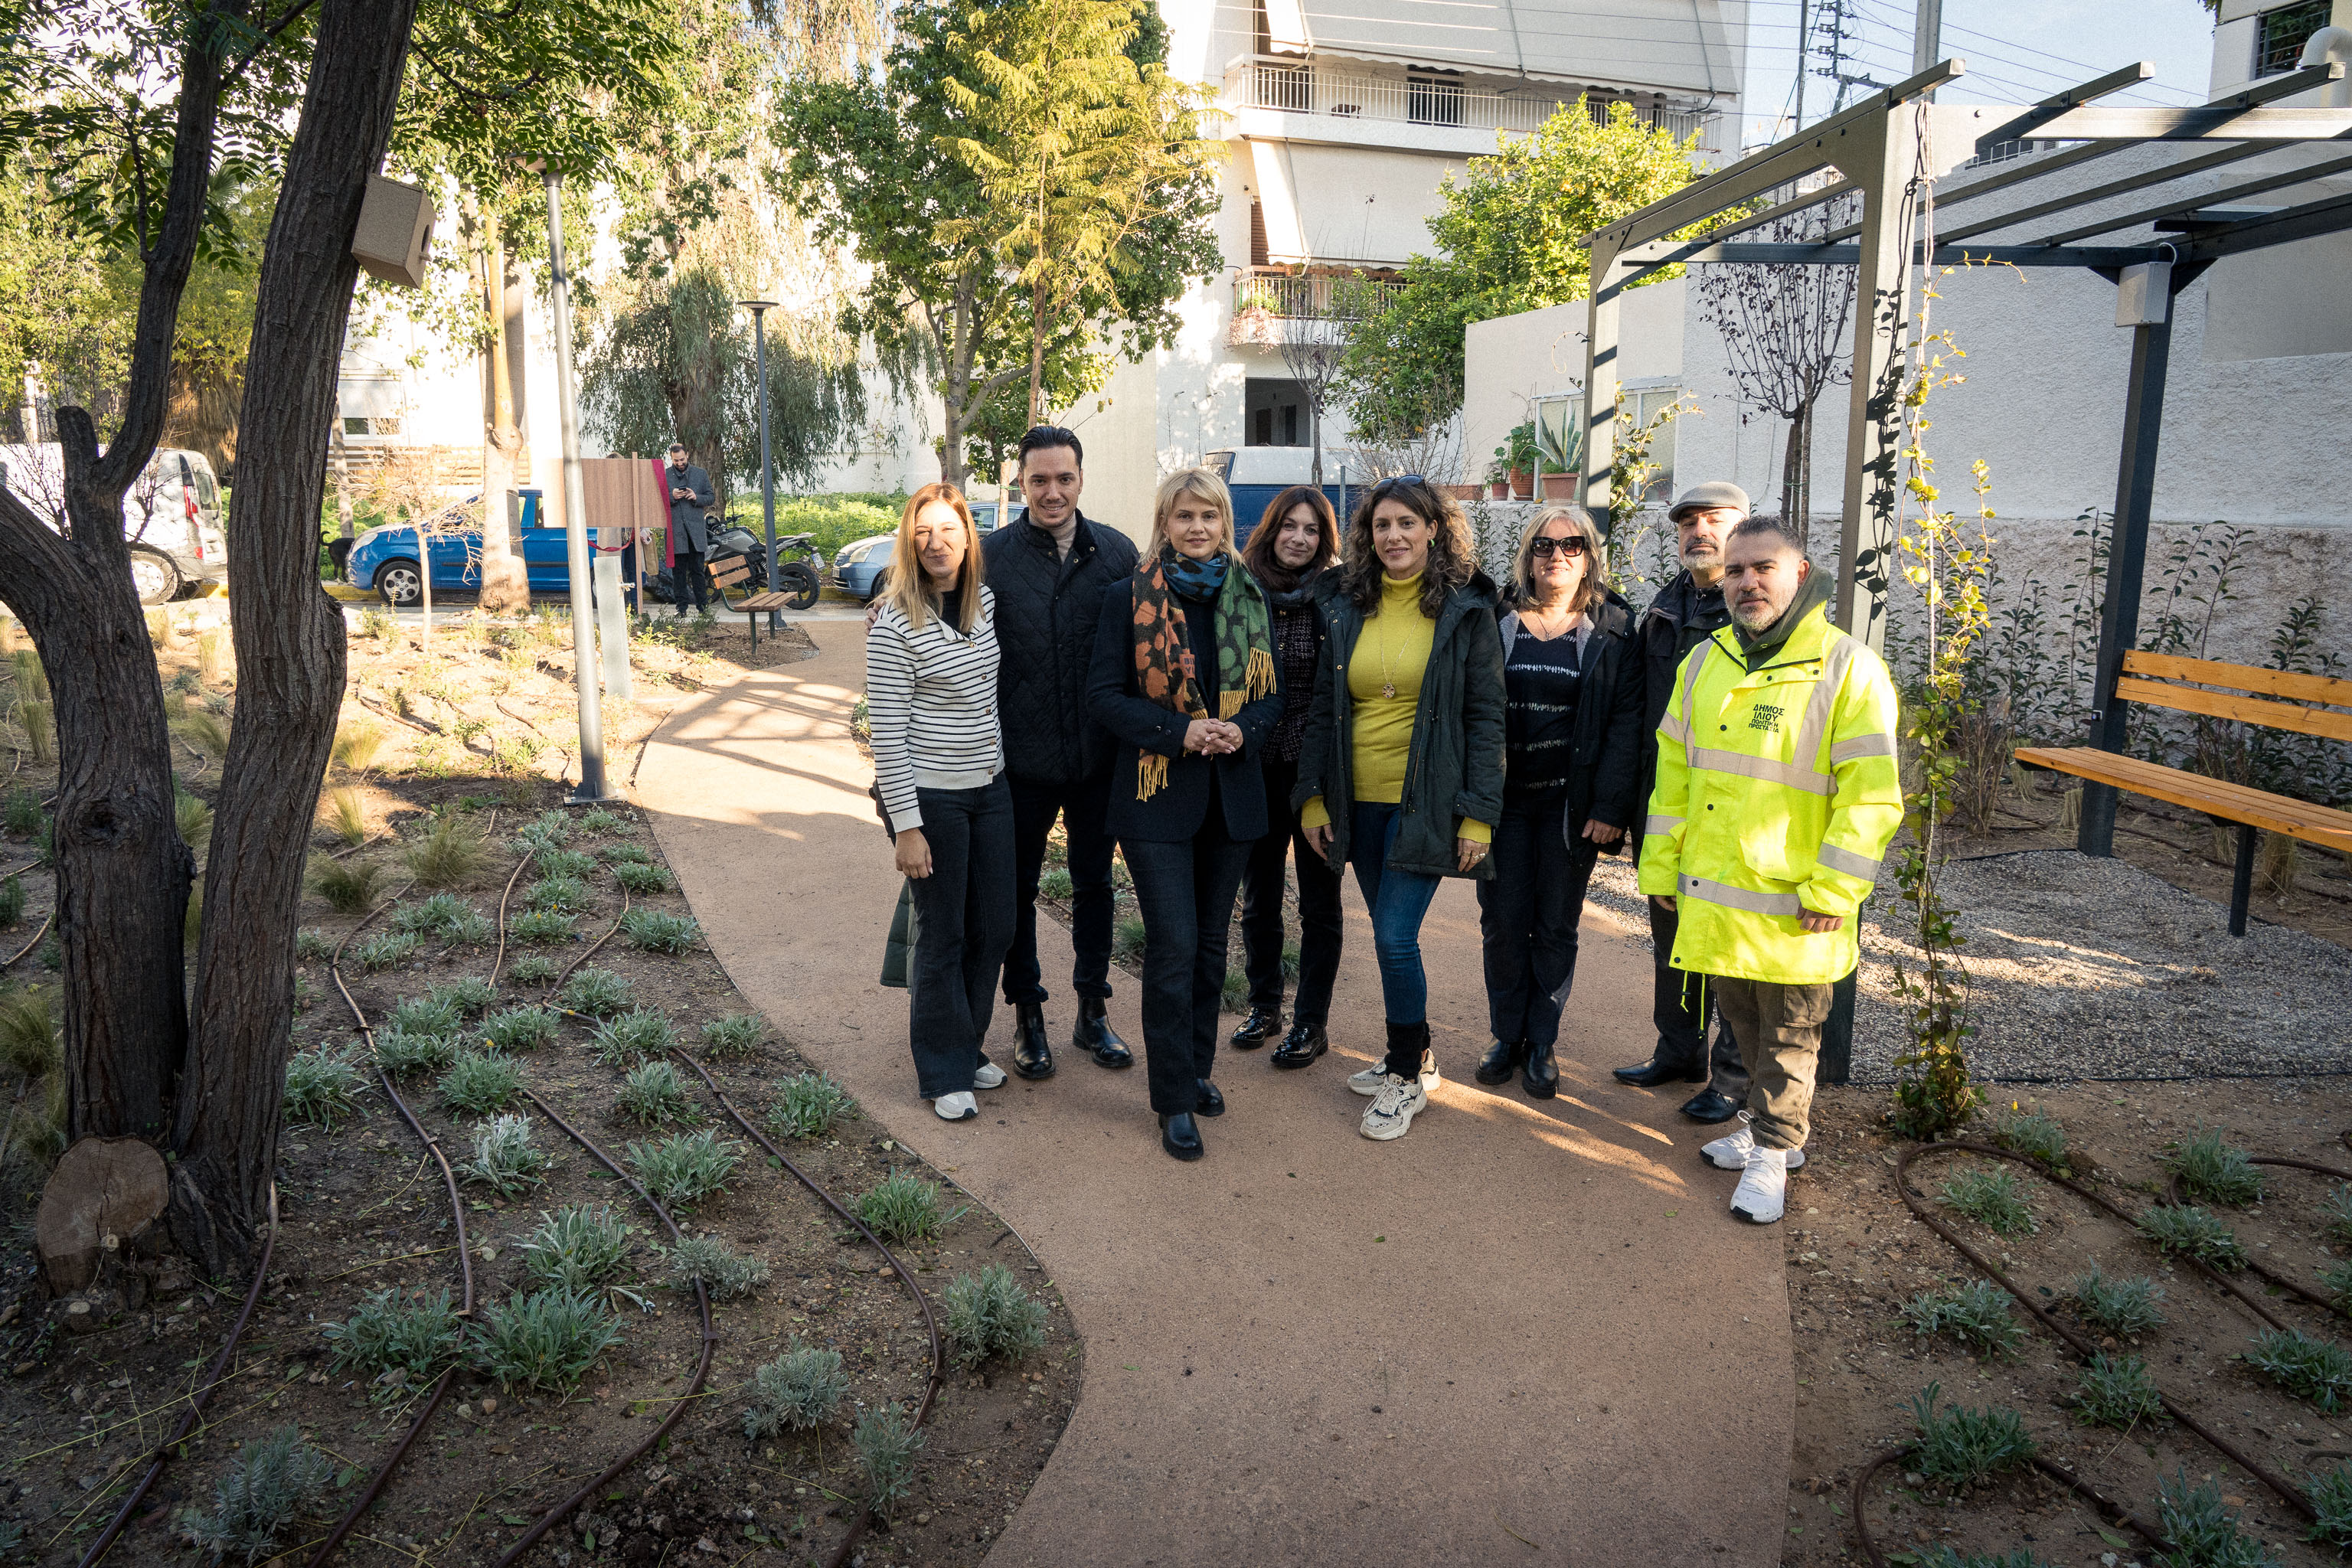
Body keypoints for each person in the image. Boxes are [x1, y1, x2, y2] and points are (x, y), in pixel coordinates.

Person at [1638, 515, 1900, 1223]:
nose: (1748, 582)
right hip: (1721, 898)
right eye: (1735, 570)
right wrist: (1661, 870)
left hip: (1796, 906)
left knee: (1789, 1041)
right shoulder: (1705, 663)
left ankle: (1774, 1157)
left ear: (1800, 574)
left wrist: (1836, 891)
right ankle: (1766, 1135)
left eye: (1764, 568)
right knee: (1745, 1027)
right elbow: (1674, 780)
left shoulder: (1847, 667)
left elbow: (1872, 797)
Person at [1296, 476, 1505, 1143]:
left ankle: (1403, 1075)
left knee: (1393, 937)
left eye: (1407, 524)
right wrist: (1312, 798)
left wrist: (1478, 816)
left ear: (1433, 531)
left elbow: (1485, 717)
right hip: (1357, 802)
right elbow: (1322, 714)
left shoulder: (1465, 609)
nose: (1393, 537)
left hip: (1427, 805)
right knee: (1391, 938)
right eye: (1382, 525)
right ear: (1368, 535)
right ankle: (1418, 1054)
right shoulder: (1345, 603)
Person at [1085, 468, 1282, 1161]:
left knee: (1206, 949)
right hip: (1155, 799)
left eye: (1209, 517)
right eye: (1184, 517)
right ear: (1164, 524)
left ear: (1227, 523)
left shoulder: (1252, 599)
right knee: (1172, 945)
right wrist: (1181, 732)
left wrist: (1242, 731)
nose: (1197, 528)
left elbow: (1273, 699)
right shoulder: (1128, 599)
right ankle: (1172, 1100)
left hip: (1231, 797)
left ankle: (1197, 1070)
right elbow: (1104, 698)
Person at [983, 426, 1142, 1080]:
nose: (1053, 492)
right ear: (1021, 481)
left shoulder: (1118, 553)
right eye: (1039, 479)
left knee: (1094, 886)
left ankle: (1092, 1011)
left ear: (1081, 479)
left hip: (1098, 762)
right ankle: (1026, 1014)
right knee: (1016, 890)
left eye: (1064, 478)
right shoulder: (988, 556)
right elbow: (931, 604)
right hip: (1019, 763)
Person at [1475, 505, 1645, 1099]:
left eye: (1572, 546)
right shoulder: (1496, 619)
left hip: (1569, 809)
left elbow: (1626, 723)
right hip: (1502, 806)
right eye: (1545, 546)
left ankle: (1542, 1040)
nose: (1558, 556)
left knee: (1555, 926)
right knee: (1502, 924)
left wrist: (1610, 806)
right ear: (1528, 555)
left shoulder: (1613, 626)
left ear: (1589, 557)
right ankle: (1506, 1036)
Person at [864, 484, 1015, 1123]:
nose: (936, 544)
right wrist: (907, 826)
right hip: (934, 797)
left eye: (948, 531)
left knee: (996, 926)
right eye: (924, 532)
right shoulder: (894, 623)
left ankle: (967, 1041)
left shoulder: (984, 602)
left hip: (993, 787)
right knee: (943, 934)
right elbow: (888, 734)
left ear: (968, 537)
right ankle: (942, 1068)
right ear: (909, 540)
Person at [1613, 480, 1749, 1121]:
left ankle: (1733, 1076)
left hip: (1734, 810)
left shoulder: (1755, 609)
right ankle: (1679, 1051)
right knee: (1671, 931)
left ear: (1743, 528)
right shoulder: (1665, 606)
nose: (1699, 531)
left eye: (1714, 520)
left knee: (1729, 942)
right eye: (1689, 522)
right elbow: (1637, 713)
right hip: (1667, 805)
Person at [1230, 486, 1344, 1070]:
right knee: (1260, 897)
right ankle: (1265, 1005)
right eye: (1289, 527)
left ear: (1325, 540)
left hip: (1316, 772)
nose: (1299, 539)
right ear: (1271, 529)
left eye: (1312, 530)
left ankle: (1311, 1022)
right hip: (1254, 764)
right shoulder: (1241, 589)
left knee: (1320, 903)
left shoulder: (1338, 595)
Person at [664, 442, 716, 619]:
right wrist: (672, 497)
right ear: (671, 458)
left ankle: (703, 608)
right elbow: (658, 501)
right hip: (676, 532)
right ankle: (681, 608)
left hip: (696, 533)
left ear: (688, 456)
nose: (679, 463)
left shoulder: (700, 474)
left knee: (697, 571)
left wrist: (696, 497)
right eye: (675, 460)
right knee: (678, 573)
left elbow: (711, 497)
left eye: (682, 459)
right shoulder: (665, 476)